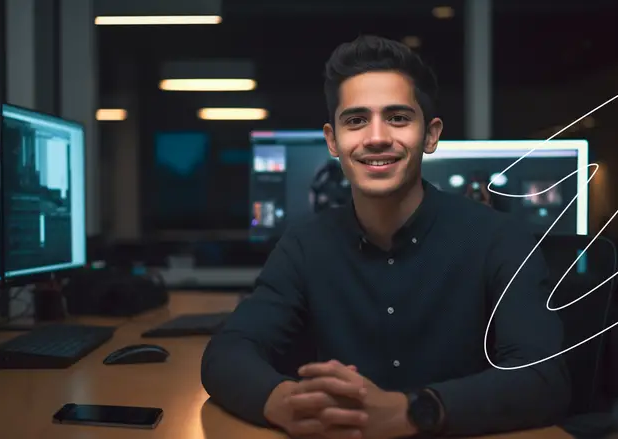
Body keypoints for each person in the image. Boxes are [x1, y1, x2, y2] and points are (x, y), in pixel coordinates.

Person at [201, 35, 571, 439]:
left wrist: (413, 412)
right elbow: (228, 352)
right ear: (333, 141)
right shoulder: (305, 246)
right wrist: (286, 404)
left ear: (430, 136)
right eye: (356, 120)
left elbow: (544, 378)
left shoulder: (501, 239)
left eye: (397, 117)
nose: (376, 137)